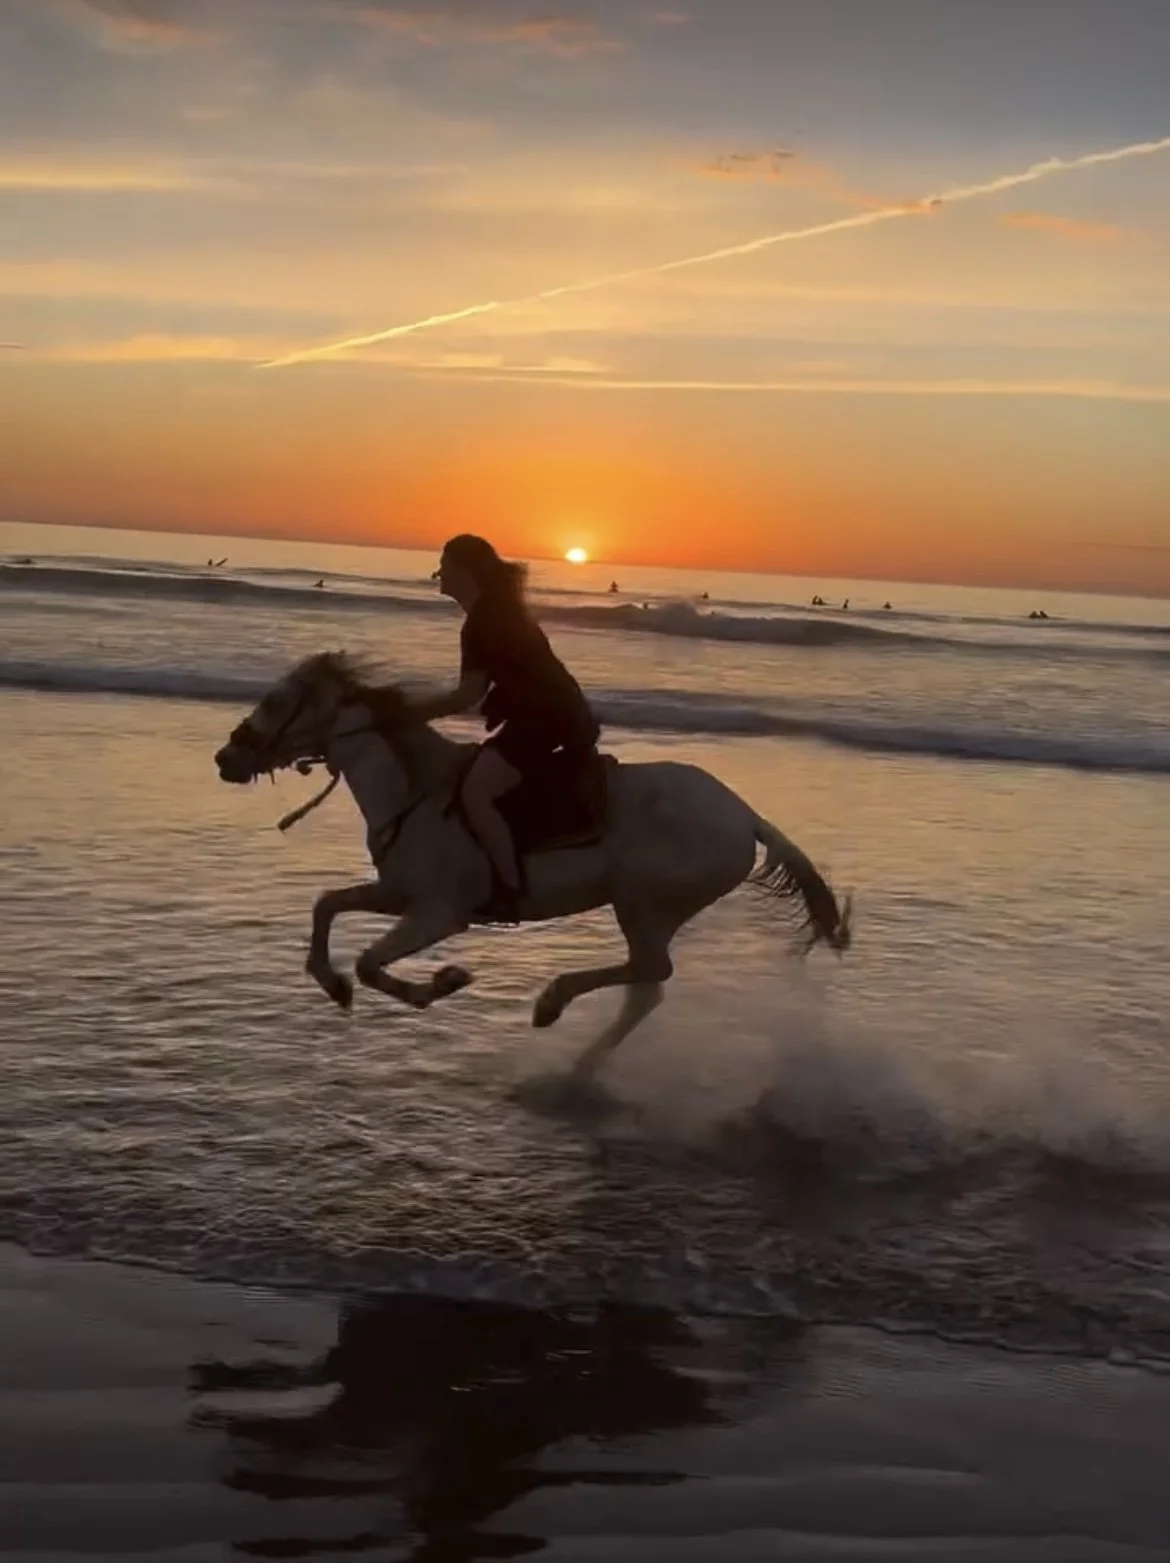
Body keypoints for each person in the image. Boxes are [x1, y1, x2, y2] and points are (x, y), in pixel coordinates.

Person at [409, 534, 600, 918]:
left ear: (465, 572)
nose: (438, 574)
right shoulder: (495, 612)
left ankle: (510, 889)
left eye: (444, 566)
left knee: (476, 793)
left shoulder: (485, 621)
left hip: (548, 722)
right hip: (545, 717)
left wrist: (412, 714)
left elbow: (467, 695)